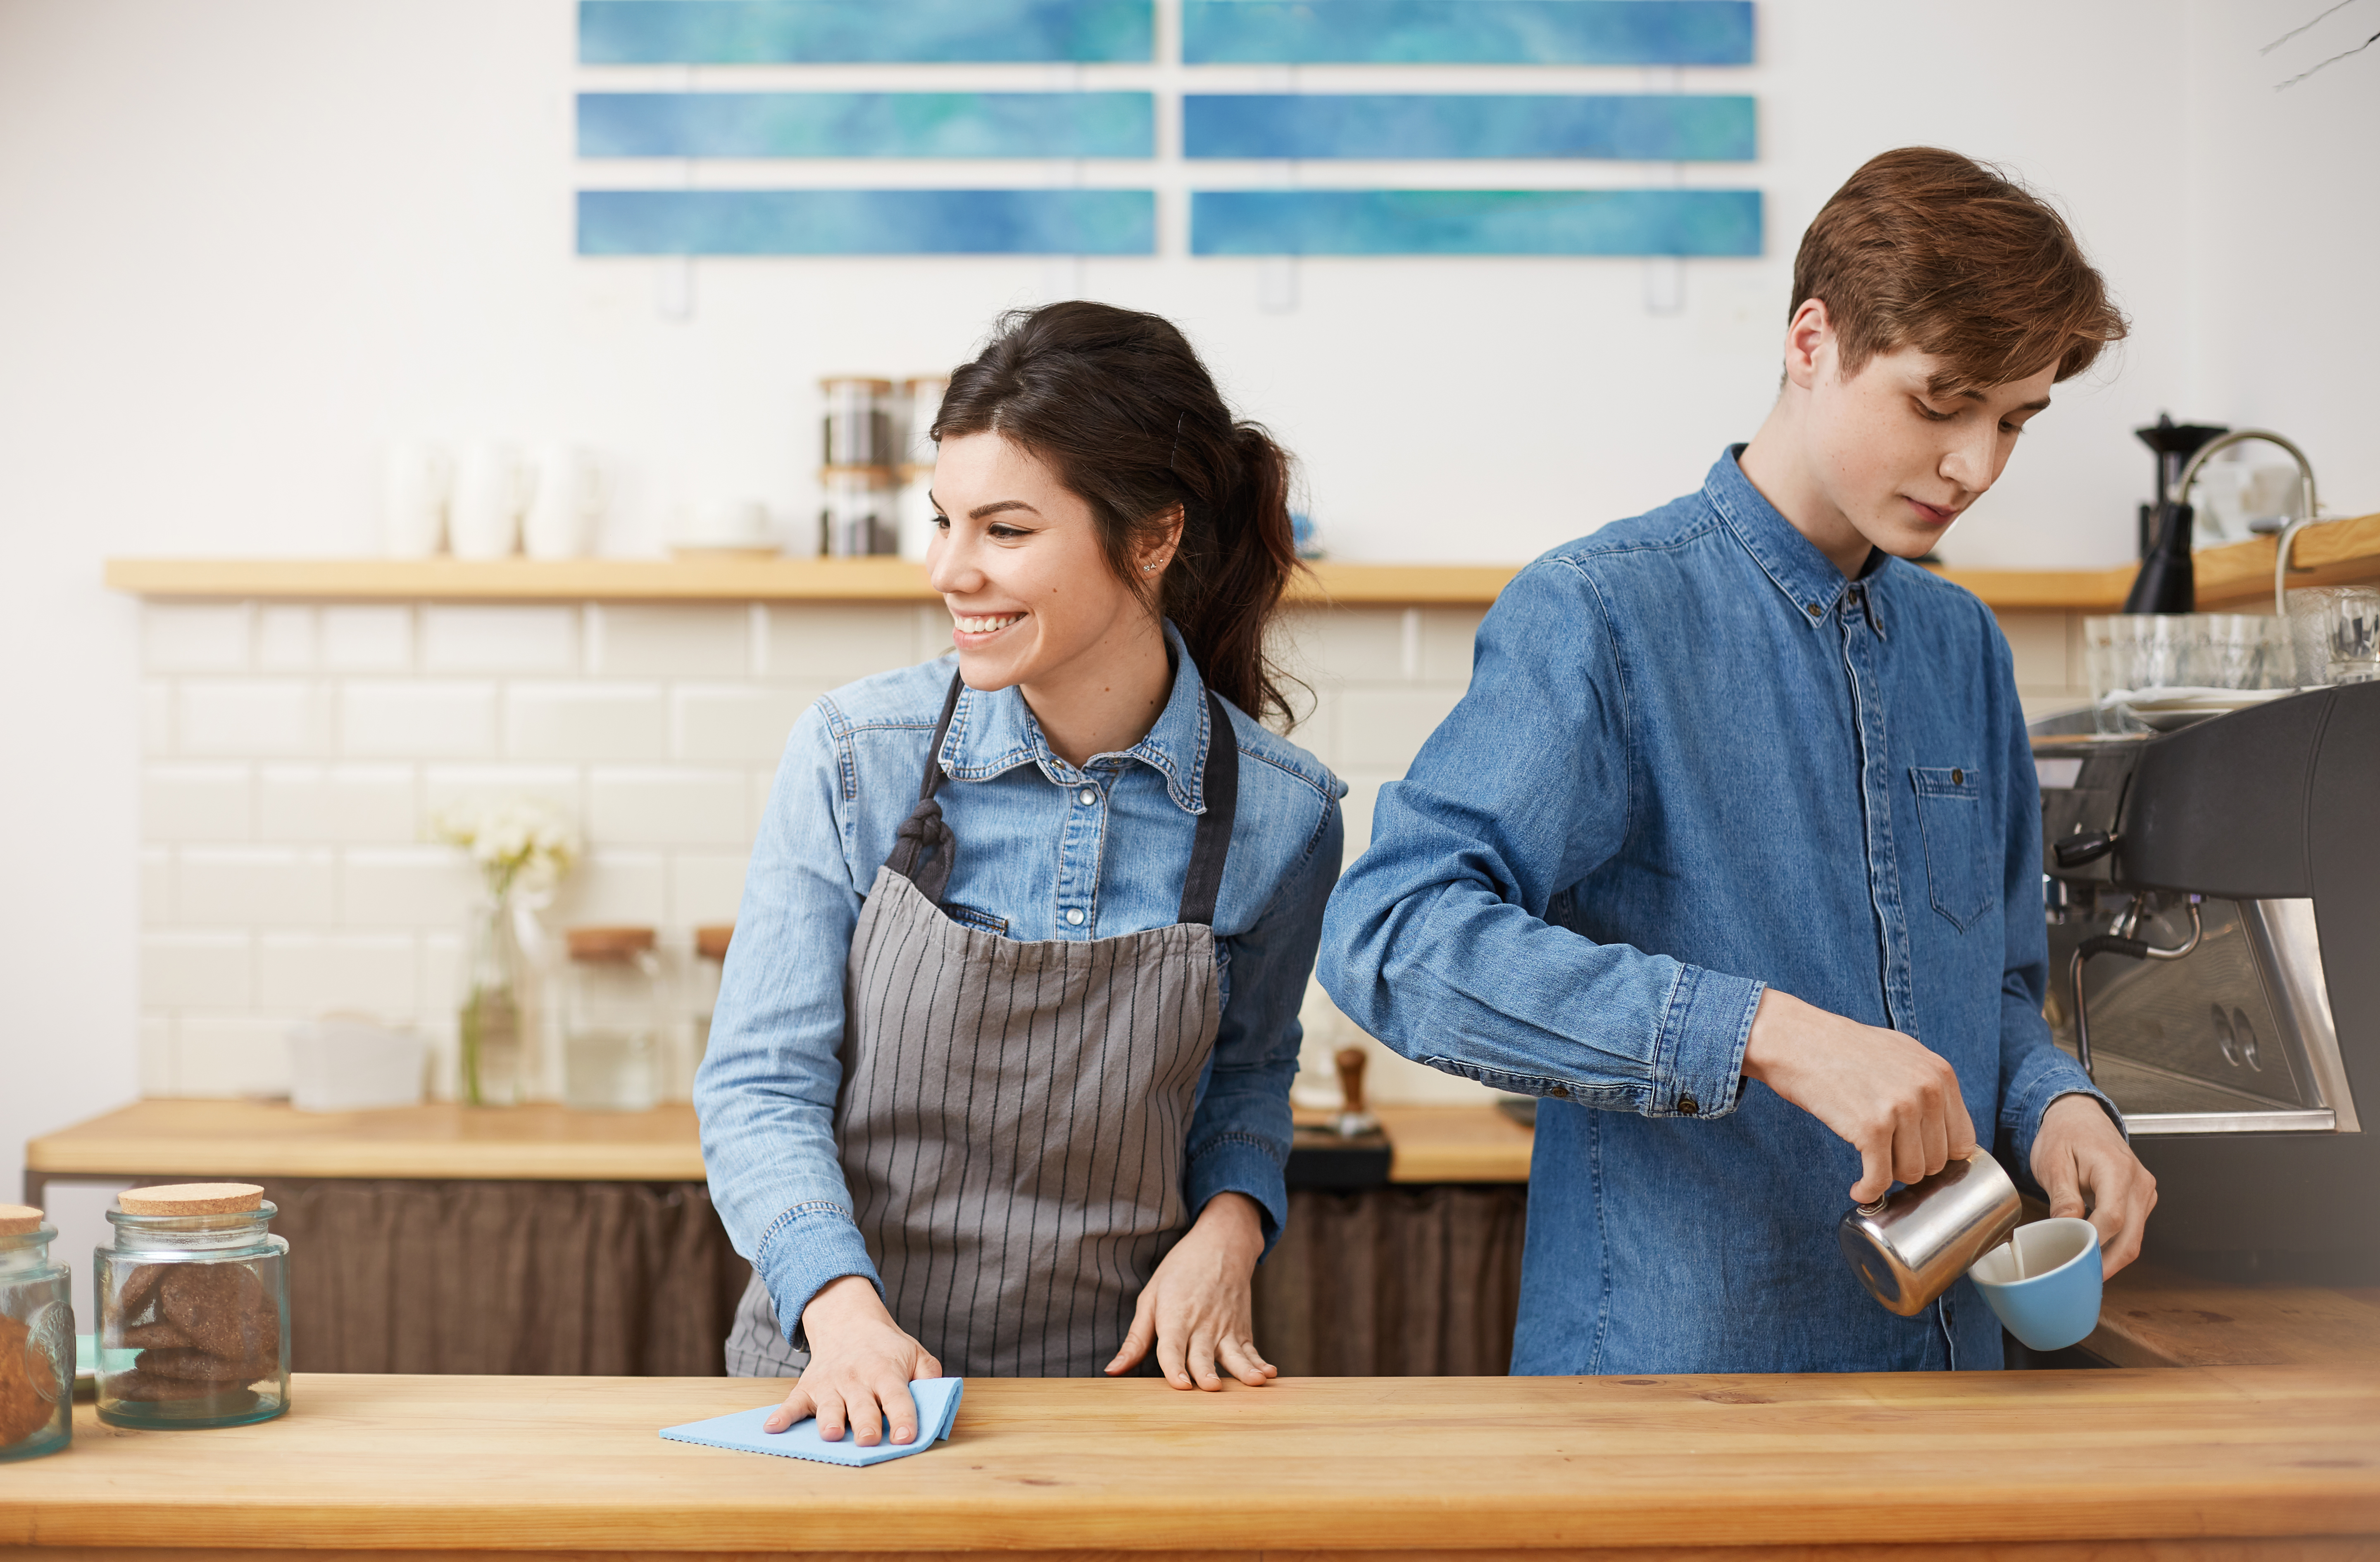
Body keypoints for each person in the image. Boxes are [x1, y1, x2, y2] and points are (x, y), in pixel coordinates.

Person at [1317, 148, 2157, 1375]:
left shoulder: (1962, 646)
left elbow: (1992, 987)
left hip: (1958, 1385)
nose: (1976, 465)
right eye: (1943, 402)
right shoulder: (1602, 615)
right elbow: (1391, 935)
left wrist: (2058, 1103)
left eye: (2014, 422)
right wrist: (1766, 1031)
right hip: (1681, 1397)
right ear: (1811, 342)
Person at [698, 301, 1345, 1443]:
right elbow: (760, 1087)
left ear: (1154, 538)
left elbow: (1246, 1081)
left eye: (1004, 531)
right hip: (838, 1390)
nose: (950, 570)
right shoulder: (857, 758)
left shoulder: (1284, 819)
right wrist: (842, 1313)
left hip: (1119, 1408)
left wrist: (1233, 1224)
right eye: (943, 521)